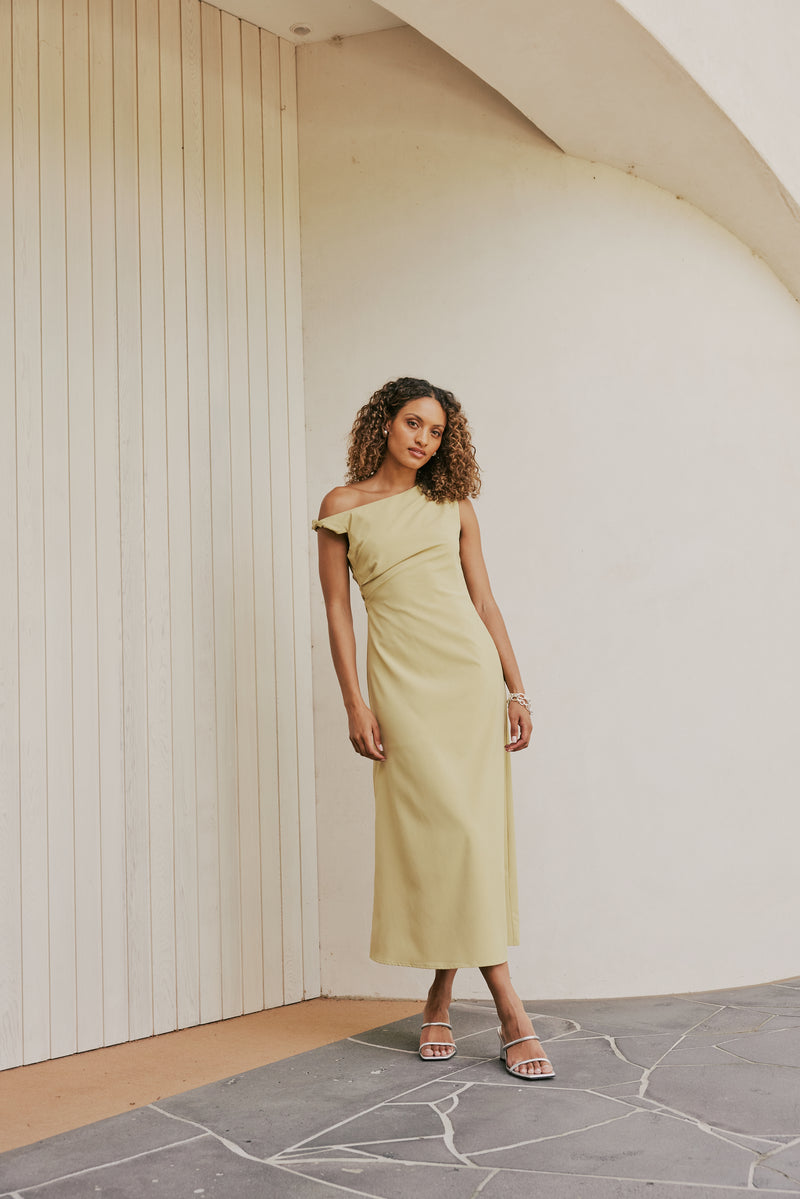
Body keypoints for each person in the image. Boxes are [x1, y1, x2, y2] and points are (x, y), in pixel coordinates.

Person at [313, 377, 554, 1080]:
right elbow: (337, 613)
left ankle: (463, 997)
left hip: (467, 680)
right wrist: (354, 702)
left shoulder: (452, 504)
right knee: (444, 836)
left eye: (436, 431)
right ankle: (496, 1002)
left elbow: (484, 596)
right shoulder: (342, 507)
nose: (423, 438)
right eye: (413, 422)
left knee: (471, 838)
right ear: (384, 423)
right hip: (402, 690)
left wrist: (516, 684)